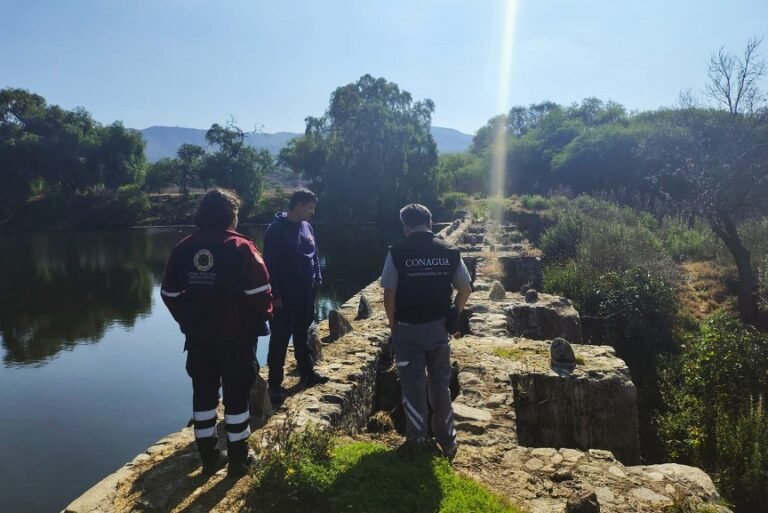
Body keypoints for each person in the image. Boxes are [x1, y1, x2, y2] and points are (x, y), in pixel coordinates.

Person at [161, 188, 273, 479]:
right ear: (231, 215)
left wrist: (187, 319)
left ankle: (209, 457)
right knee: (236, 399)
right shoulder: (241, 247)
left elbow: (169, 292)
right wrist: (262, 316)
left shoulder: (184, 247)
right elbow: (261, 293)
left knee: (203, 395)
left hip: (199, 338)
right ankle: (239, 461)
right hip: (236, 338)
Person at [380, 203, 472, 461]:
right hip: (439, 330)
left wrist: (392, 323)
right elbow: (465, 288)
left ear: (406, 226)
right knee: (439, 386)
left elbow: (389, 292)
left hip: (407, 331)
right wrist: (456, 312)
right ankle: (448, 442)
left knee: (413, 387)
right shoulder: (450, 252)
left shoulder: (397, 252)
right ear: (430, 223)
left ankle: (417, 439)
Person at [263, 189, 328, 405]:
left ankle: (307, 373)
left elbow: (314, 255)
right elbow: (269, 265)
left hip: (307, 291)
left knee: (302, 333)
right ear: (298, 205)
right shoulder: (276, 230)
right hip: (285, 294)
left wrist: (317, 277)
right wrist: (275, 295)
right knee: (280, 337)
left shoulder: (306, 227)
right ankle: (274, 384)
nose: (313, 212)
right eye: (310, 207)